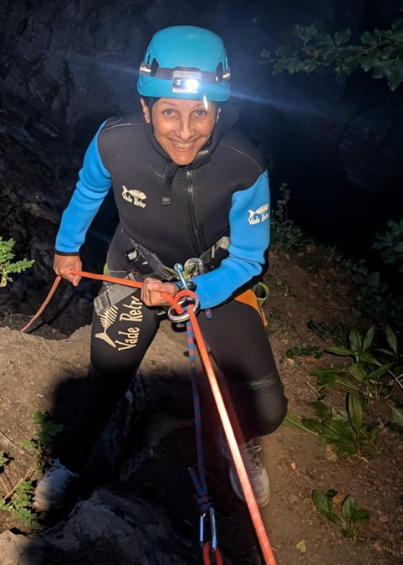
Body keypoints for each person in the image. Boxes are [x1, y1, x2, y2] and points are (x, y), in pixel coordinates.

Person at [35, 26, 287, 511]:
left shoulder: (243, 165)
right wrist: (68, 249)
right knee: (105, 379)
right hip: (133, 268)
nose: (186, 130)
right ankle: (67, 462)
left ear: (219, 109)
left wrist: (194, 291)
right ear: (147, 107)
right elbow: (88, 191)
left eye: (200, 112)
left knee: (268, 409)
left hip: (213, 279)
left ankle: (236, 438)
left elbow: (250, 258)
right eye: (170, 112)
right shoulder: (115, 142)